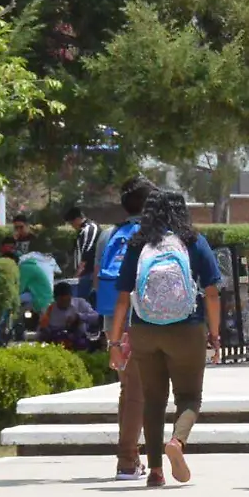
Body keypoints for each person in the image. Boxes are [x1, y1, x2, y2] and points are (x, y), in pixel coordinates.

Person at [107, 189, 223, 488]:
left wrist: (115, 342)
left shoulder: (138, 245)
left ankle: (156, 470)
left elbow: (122, 298)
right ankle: (177, 441)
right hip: (187, 328)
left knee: (153, 400)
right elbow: (211, 292)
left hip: (145, 329)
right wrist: (214, 333)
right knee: (189, 397)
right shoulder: (194, 242)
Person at [101, 176, 152, 481]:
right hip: (142, 315)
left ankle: (130, 454)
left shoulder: (110, 235)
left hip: (113, 318)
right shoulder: (151, 235)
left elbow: (99, 278)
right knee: (140, 391)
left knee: (128, 388)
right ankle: (129, 459)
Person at [36, 282, 99, 350]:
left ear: (71, 297)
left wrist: (79, 317)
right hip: (57, 343)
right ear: (55, 299)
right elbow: (40, 334)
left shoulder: (80, 303)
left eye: (67, 300)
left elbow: (96, 317)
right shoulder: (48, 311)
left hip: (78, 339)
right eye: (62, 300)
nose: (64, 303)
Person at [69, 205, 102, 305]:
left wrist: (79, 271)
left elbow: (87, 251)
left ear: (78, 219)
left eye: (71, 223)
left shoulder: (90, 228)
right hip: (84, 273)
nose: (72, 226)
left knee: (82, 301)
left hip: (89, 272)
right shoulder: (82, 231)